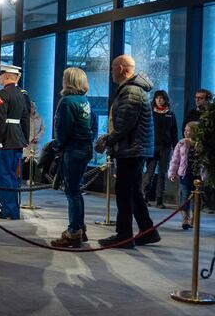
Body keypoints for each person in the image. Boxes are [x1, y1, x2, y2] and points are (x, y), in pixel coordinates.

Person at [95, 55, 159, 248]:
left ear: (121, 68)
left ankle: (124, 235)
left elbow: (124, 124)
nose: (112, 72)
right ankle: (148, 232)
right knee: (133, 192)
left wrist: (107, 141)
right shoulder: (133, 89)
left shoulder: (131, 90)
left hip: (132, 150)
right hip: (134, 149)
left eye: (113, 68)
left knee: (124, 192)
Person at [50, 68, 94, 248]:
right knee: (77, 190)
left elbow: (63, 129)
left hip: (73, 149)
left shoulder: (67, 101)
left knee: (72, 192)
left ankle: (73, 231)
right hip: (85, 148)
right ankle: (80, 228)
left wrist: (57, 147)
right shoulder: (84, 100)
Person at [0, 64, 30, 220]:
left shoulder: (4, 93)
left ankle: (9, 210)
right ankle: (13, 208)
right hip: (17, 140)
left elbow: (0, 119)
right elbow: (26, 119)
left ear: (7, 76)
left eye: (1, 75)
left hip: (6, 140)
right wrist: (24, 139)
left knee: (4, 175)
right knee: (13, 176)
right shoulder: (22, 94)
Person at [142, 90, 178, 208]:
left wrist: (175, 146)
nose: (159, 100)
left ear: (165, 99)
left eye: (162, 98)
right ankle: (145, 197)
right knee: (149, 173)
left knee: (162, 173)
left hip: (165, 147)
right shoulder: (150, 112)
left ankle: (159, 200)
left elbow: (174, 132)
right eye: (157, 98)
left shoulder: (170, 114)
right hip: (152, 146)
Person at [168, 121, 204, 230]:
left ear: (195, 132)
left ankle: (194, 218)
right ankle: (185, 218)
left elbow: (205, 161)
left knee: (196, 197)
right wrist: (172, 173)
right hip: (185, 174)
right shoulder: (181, 143)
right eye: (185, 130)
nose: (185, 132)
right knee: (185, 195)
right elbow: (175, 160)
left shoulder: (201, 143)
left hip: (197, 175)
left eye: (188, 130)